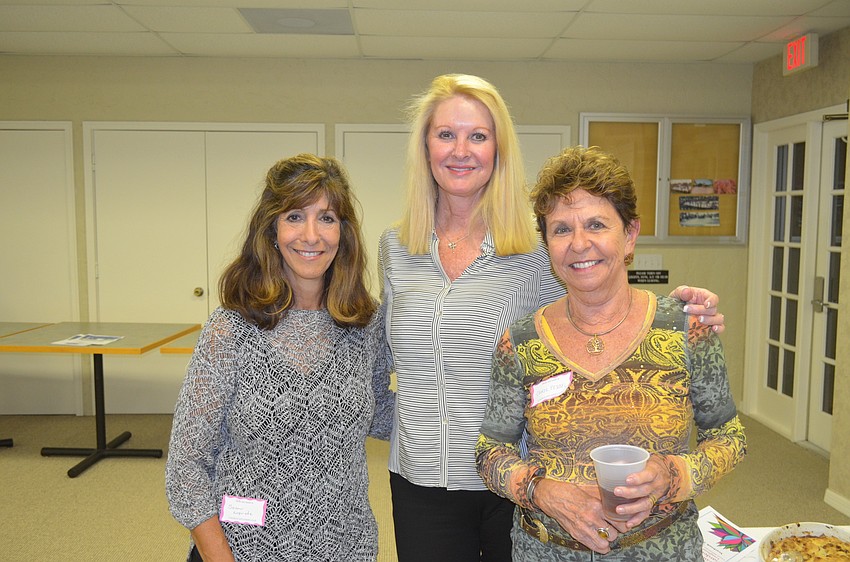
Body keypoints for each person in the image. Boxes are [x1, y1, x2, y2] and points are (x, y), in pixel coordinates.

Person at [379, 73, 726, 562]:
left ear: (499, 149)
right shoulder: (396, 249)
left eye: (478, 135)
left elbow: (594, 293)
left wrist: (682, 312)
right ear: (425, 146)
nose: (461, 149)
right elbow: (377, 349)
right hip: (421, 479)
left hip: (518, 474)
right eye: (446, 134)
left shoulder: (535, 247)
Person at [475, 145, 747, 561]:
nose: (579, 244)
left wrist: (674, 475)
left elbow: (729, 436)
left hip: (661, 551)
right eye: (561, 229)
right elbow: (490, 451)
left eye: (596, 224)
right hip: (546, 552)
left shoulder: (688, 329)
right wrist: (540, 491)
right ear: (547, 243)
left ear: (630, 234)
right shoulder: (521, 342)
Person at [165, 153, 394, 562]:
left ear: (344, 232)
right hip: (245, 548)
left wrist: (464, 414)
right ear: (271, 229)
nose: (311, 235)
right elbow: (186, 468)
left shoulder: (364, 324)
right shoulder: (230, 330)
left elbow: (377, 411)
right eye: (294, 216)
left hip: (345, 547)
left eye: (326, 218)